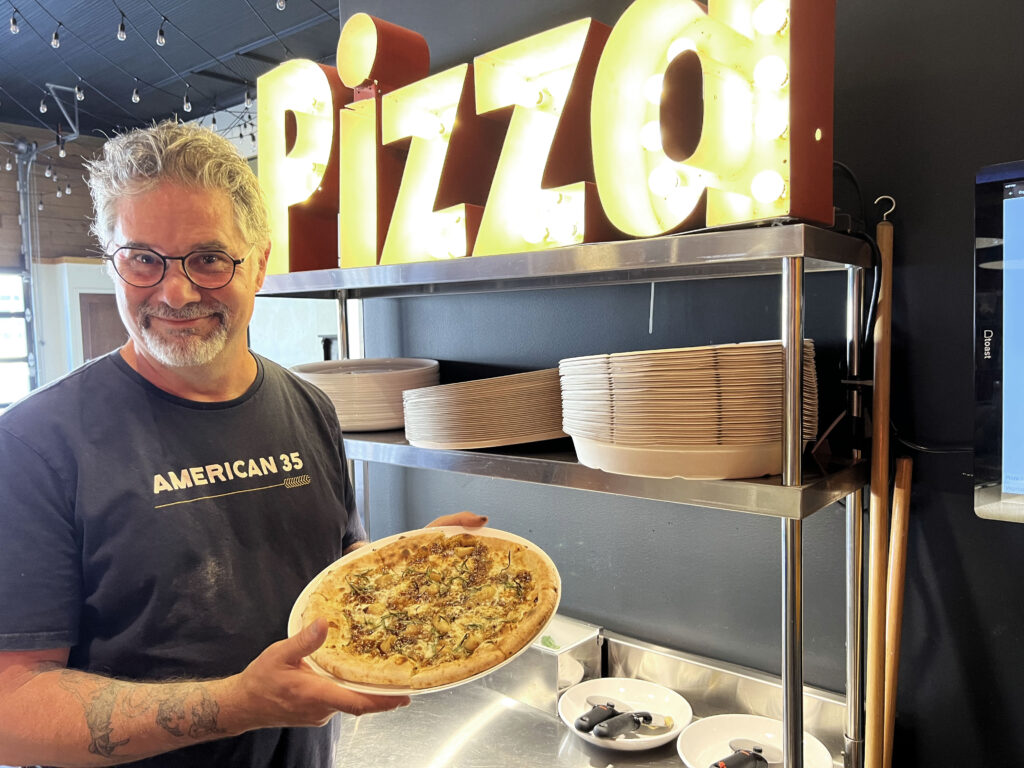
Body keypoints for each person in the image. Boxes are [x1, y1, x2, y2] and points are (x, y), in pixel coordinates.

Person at [0, 120, 486, 767]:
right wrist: (237, 702)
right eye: (143, 258)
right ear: (111, 260)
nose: (174, 292)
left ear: (258, 263)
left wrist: (404, 575)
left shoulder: (308, 405)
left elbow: (335, 565)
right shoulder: (34, 445)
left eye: (207, 257)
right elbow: (12, 706)